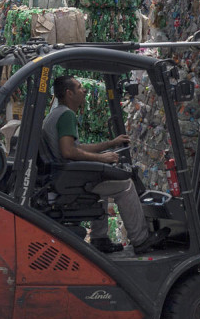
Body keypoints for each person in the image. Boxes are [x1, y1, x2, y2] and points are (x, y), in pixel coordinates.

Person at [43, 75, 166, 254]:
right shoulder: (67, 115)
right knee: (125, 186)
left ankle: (99, 239)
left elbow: (77, 147)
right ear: (69, 93)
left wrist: (109, 144)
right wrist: (102, 159)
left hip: (64, 175)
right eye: (79, 88)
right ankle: (141, 240)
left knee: (102, 184)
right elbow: (69, 151)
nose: (84, 90)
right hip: (68, 178)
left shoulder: (56, 114)